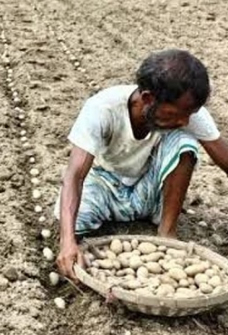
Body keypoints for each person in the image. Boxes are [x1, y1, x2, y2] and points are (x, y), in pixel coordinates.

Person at [54, 50, 228, 281]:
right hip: (107, 186)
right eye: (176, 113)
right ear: (148, 99)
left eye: (190, 114)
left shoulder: (187, 112)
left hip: (150, 192)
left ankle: (167, 233)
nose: (185, 120)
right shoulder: (103, 108)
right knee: (68, 217)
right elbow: (75, 176)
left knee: (184, 142)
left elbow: (224, 157)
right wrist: (68, 242)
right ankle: (113, 218)